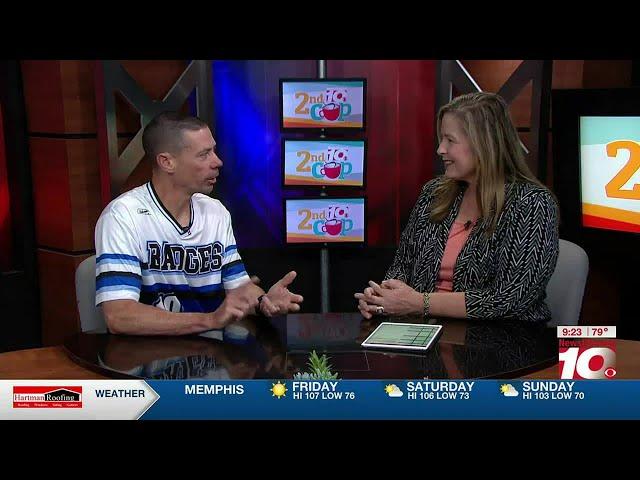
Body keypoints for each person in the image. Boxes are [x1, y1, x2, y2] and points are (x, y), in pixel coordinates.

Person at [355, 92, 559, 323]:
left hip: (499, 340)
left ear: (484, 144)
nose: (440, 149)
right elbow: (403, 266)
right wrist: (382, 298)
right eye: (441, 139)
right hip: (424, 330)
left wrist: (417, 303)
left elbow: (508, 299)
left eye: (450, 140)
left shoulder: (532, 204)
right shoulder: (434, 193)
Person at [95, 111, 303, 335]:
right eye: (204, 154)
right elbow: (119, 316)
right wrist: (209, 320)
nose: (218, 162)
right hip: (146, 357)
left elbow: (240, 289)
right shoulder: (123, 216)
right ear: (167, 162)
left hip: (214, 356)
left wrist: (263, 301)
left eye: (213, 151)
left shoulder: (215, 212)